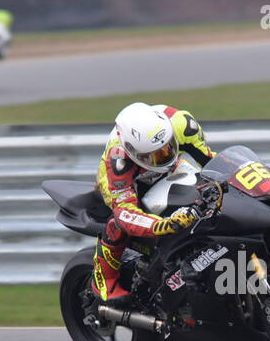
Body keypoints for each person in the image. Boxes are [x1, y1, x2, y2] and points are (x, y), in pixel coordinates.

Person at [91, 102, 217, 303]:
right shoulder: (118, 160)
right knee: (118, 223)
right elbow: (125, 212)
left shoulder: (183, 124)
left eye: (167, 149)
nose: (163, 156)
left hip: (172, 166)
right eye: (155, 155)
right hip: (126, 179)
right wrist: (163, 225)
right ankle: (103, 278)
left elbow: (210, 160)